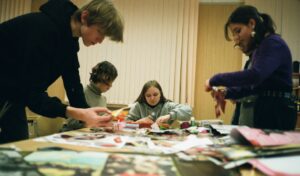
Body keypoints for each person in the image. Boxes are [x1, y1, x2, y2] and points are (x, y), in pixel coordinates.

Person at [0, 0, 124, 144]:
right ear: (85, 17)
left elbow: (73, 85)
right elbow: (32, 95)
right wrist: (74, 112)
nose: (101, 40)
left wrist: (91, 117)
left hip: (13, 95)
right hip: (10, 91)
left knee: (17, 146)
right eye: (100, 33)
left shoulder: (69, 43)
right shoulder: (43, 29)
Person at [205, 5, 297, 130]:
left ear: (252, 23)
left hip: (277, 113)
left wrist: (215, 79)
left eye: (238, 31)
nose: (236, 40)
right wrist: (226, 92)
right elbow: (252, 88)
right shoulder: (260, 49)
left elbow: (255, 75)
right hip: (266, 110)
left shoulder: (273, 43)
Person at [61, 61, 118, 131]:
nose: (110, 85)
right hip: (71, 133)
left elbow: (97, 124)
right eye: (108, 81)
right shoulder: (80, 94)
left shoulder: (103, 99)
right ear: (98, 76)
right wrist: (89, 124)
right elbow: (71, 123)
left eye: (112, 81)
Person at [126, 80, 192, 127]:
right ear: (144, 96)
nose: (152, 98)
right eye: (148, 96)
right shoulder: (138, 106)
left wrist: (169, 116)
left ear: (160, 94)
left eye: (155, 94)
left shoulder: (167, 105)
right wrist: (138, 122)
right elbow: (125, 124)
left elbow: (188, 111)